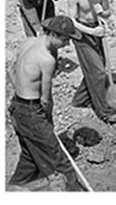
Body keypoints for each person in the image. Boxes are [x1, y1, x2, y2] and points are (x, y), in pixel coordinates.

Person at [8, 15, 84, 191]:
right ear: (54, 35)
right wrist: (45, 120)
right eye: (65, 40)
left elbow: (11, 71)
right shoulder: (47, 60)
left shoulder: (29, 42)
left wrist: (21, 93)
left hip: (17, 107)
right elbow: (45, 98)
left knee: (29, 156)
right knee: (57, 157)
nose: (67, 45)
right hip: (31, 111)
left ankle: (15, 187)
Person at [65, 0, 116, 124]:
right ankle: (105, 112)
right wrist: (90, 31)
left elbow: (108, 13)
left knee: (97, 68)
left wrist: (103, 13)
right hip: (81, 35)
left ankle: (80, 99)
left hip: (98, 32)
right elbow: (71, 21)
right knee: (98, 72)